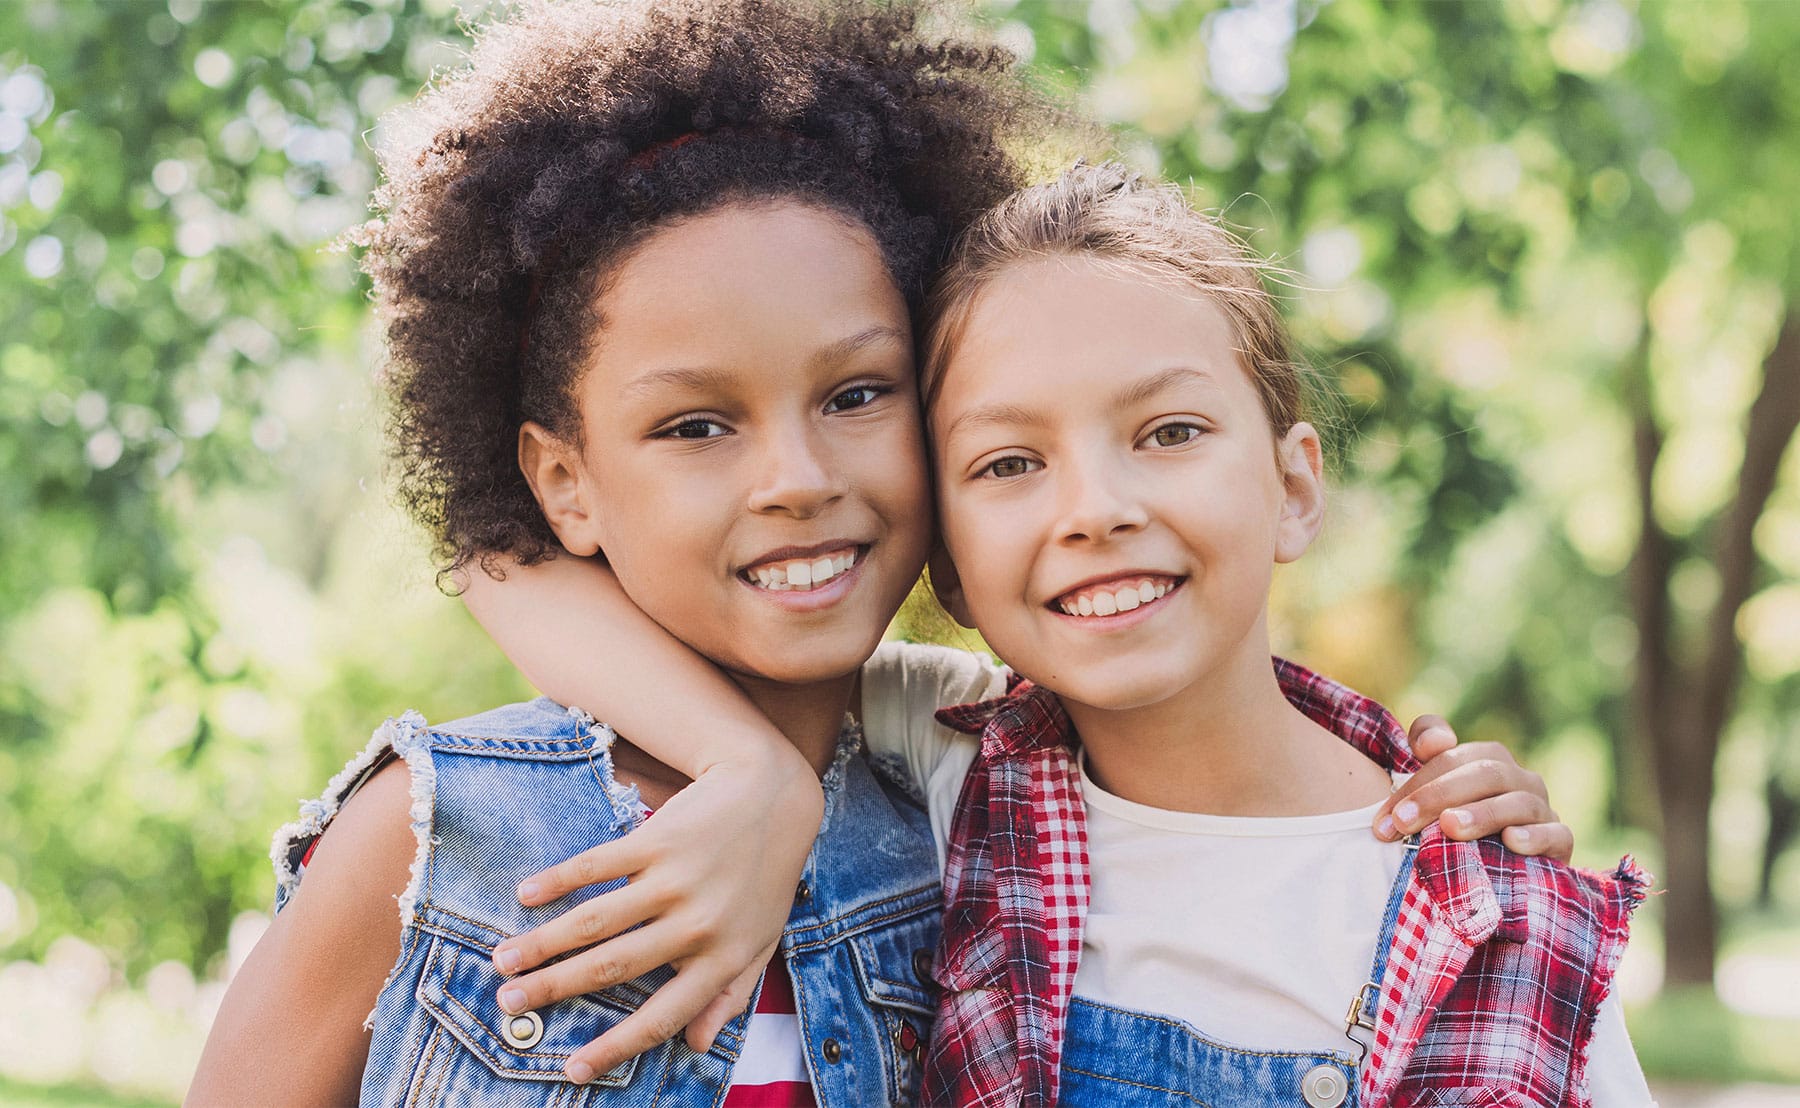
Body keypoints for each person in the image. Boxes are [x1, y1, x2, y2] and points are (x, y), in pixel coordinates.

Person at [189, 1, 1573, 1104]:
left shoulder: (961, 801)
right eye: (694, 425)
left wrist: (1435, 794)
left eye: (858, 397)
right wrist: (746, 775)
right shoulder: (444, 840)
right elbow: (491, 562)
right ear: (562, 478)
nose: (798, 479)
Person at [903, 163, 1650, 1106]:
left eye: (1169, 432)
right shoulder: (924, 763)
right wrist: (744, 763)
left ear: (1293, 490)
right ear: (948, 562)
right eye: (1009, 461)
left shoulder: (1496, 917)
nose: (1095, 510)